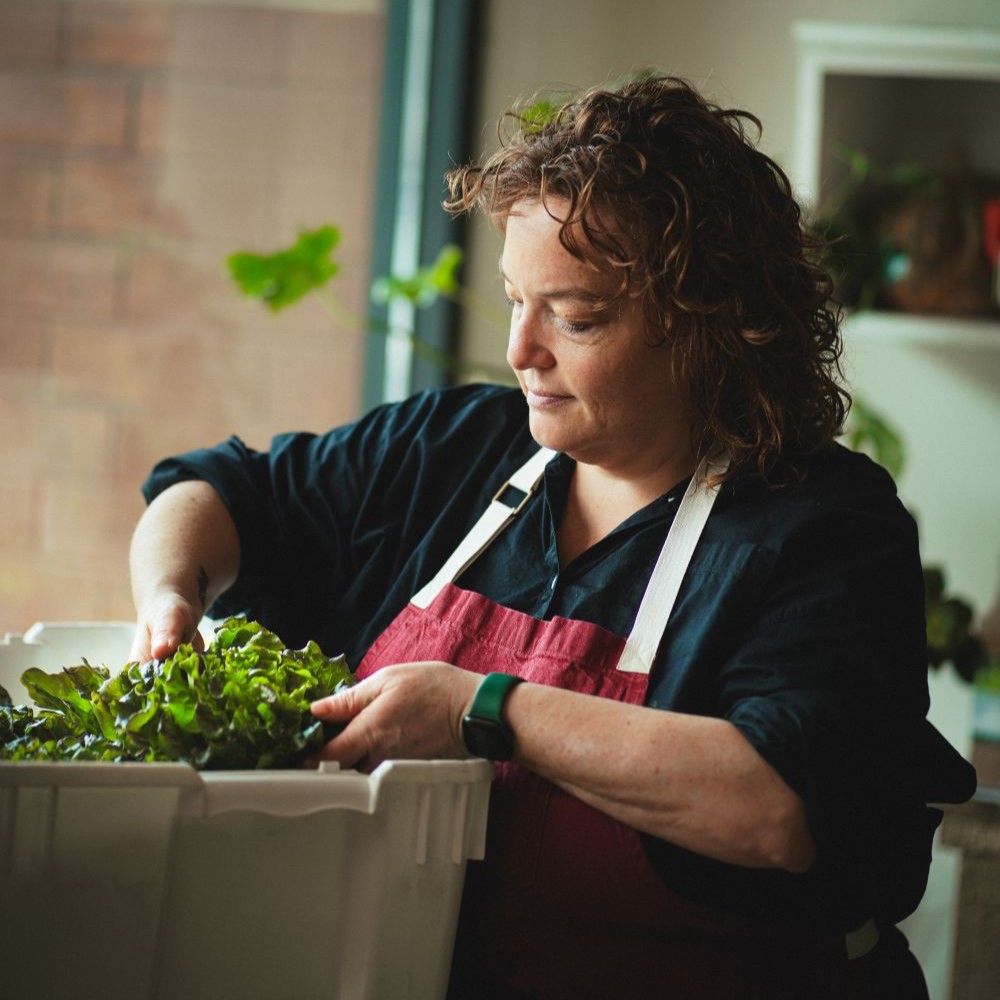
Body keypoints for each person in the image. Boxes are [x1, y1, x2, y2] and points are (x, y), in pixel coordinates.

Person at [128, 74, 975, 999]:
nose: (521, 350)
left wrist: (483, 710)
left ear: (711, 324)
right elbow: (213, 490)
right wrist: (172, 598)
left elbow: (774, 806)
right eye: (514, 300)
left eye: (577, 317)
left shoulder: (823, 530)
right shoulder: (455, 450)